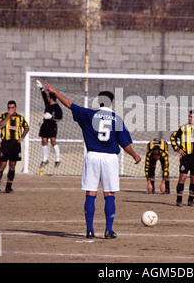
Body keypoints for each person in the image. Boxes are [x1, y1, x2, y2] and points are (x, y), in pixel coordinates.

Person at [45, 82, 141, 239]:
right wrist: (135, 155)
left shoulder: (89, 114)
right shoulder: (116, 119)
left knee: (91, 193)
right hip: (109, 158)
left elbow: (69, 104)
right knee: (109, 194)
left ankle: (89, 230)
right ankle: (108, 230)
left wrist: (54, 91)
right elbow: (125, 144)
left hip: (92, 156)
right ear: (111, 103)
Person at [170, 109, 194, 207]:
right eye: (189, 116)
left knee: (193, 179)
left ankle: (190, 200)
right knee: (182, 178)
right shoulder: (183, 128)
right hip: (185, 157)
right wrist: (177, 149)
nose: (189, 118)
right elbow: (172, 138)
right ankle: (179, 200)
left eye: (191, 117)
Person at [0, 100, 29, 193]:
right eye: (9, 108)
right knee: (2, 165)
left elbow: (27, 127)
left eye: (12, 108)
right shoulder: (3, 116)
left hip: (15, 144)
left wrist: (22, 137)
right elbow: (0, 126)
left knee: (12, 166)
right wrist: (7, 117)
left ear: (16, 108)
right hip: (5, 144)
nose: (10, 109)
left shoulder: (20, 118)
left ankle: (8, 187)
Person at [36, 80, 63, 168]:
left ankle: (58, 159)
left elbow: (60, 117)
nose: (47, 97)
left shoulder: (57, 107)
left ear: (51, 98)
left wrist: (51, 117)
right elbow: (44, 96)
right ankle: (45, 159)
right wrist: (41, 88)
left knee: (53, 140)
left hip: (52, 125)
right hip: (45, 125)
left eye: (48, 96)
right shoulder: (47, 104)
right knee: (44, 141)